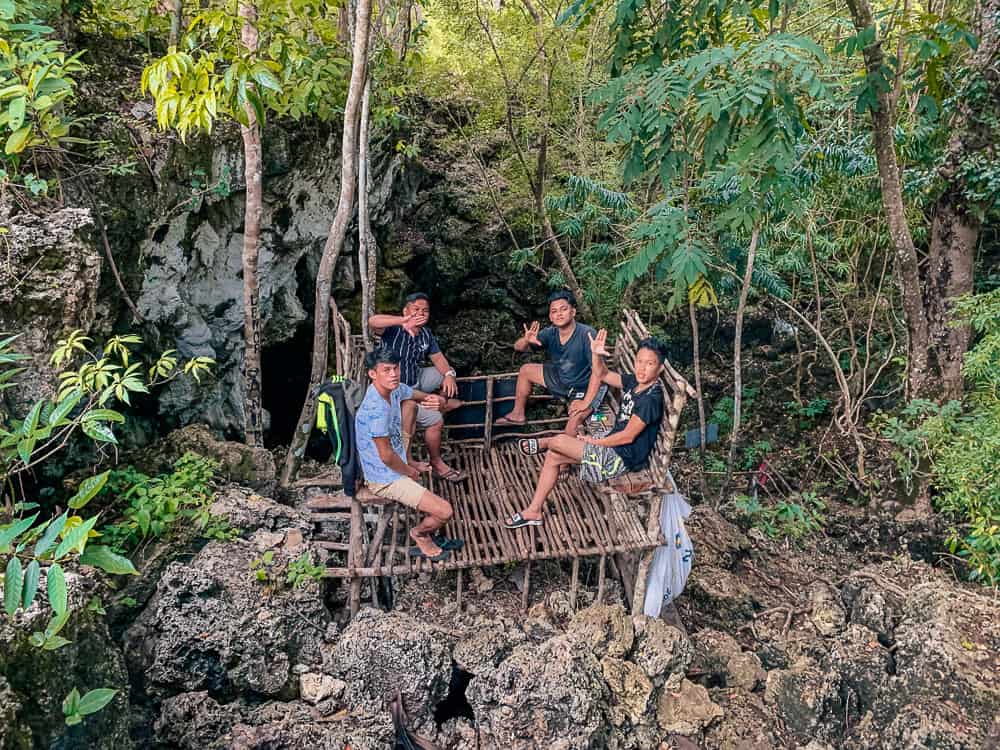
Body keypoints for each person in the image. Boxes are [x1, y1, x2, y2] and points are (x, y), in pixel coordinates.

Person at [505, 329, 667, 528]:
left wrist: (594, 441)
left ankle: (544, 442)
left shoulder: (651, 398)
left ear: (659, 369)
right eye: (639, 361)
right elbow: (603, 374)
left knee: (557, 442)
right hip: (612, 445)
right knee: (553, 455)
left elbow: (628, 436)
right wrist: (596, 354)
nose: (642, 368)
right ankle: (534, 511)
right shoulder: (636, 381)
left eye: (650, 364)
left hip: (620, 459)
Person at [355, 347, 459, 560]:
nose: (393, 374)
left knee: (410, 405)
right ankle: (420, 534)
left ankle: (408, 459)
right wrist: (410, 471)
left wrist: (435, 400)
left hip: (396, 454)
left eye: (395, 369)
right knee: (445, 511)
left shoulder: (394, 389)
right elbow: (385, 456)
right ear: (373, 374)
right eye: (386, 370)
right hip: (384, 477)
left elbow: (415, 395)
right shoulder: (375, 410)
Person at [363, 292, 466, 482]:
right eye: (416, 309)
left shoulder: (426, 334)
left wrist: (450, 375)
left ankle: (441, 402)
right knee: (431, 418)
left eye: (425, 310)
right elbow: (372, 321)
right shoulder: (393, 329)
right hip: (397, 391)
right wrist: (403, 321)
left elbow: (438, 359)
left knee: (446, 371)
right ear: (405, 311)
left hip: (415, 381)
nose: (421, 313)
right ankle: (417, 458)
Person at [495, 289, 606, 436]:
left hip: (584, 387)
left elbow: (598, 373)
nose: (558, 314)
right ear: (550, 317)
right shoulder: (550, 333)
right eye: (554, 311)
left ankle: (563, 453)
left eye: (563, 309)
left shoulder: (587, 334)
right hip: (562, 379)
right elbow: (518, 348)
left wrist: (585, 402)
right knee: (526, 370)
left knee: (575, 418)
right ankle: (517, 414)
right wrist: (525, 340)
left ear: (573, 312)